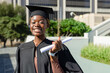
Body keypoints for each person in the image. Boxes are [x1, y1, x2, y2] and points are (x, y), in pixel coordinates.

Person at [14, 5, 83, 73]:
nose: (37, 25)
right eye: (33, 22)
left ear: (47, 25)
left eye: (41, 22)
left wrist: (53, 55)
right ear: (30, 25)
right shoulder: (22, 49)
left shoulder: (58, 47)